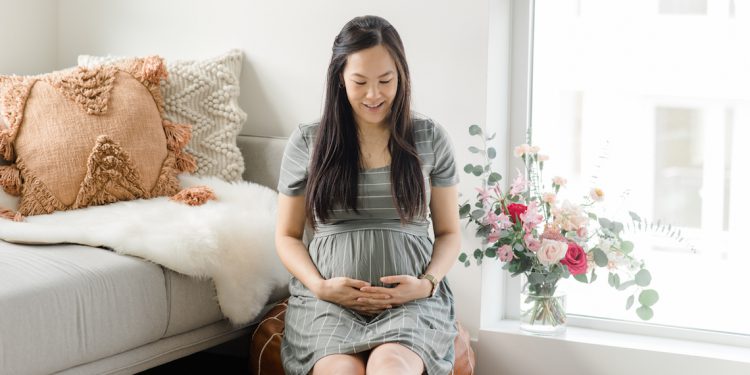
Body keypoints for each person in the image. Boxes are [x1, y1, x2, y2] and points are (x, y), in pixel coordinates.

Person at [275, 15, 460, 375]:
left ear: (401, 77)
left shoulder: (429, 137)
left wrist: (426, 284)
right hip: (327, 305)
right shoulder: (308, 141)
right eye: (360, 82)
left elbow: (450, 233)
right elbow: (286, 235)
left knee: (390, 367)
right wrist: (321, 287)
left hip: (410, 305)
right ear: (340, 79)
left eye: (386, 81)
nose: (374, 94)